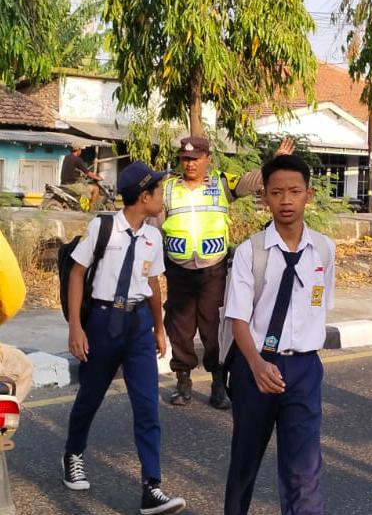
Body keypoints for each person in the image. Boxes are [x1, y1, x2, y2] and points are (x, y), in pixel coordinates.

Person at [62, 161, 186, 515]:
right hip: (103, 321)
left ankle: (152, 486)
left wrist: (159, 328)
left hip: (138, 324)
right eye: (158, 191)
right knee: (90, 397)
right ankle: (73, 454)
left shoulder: (153, 237)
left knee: (147, 407)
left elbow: (152, 284)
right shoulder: (103, 228)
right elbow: (77, 273)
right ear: (144, 196)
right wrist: (75, 327)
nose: (162, 196)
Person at [223, 154, 336, 515]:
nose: (286, 200)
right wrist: (257, 365)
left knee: (303, 471)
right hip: (255, 368)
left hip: (303, 370)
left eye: (294, 191)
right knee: (245, 464)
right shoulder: (250, 252)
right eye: (277, 192)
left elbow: (320, 305)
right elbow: (237, 318)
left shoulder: (324, 249)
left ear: (308, 195)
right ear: (265, 198)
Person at [161, 134, 293, 410]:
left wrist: (274, 163)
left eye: (195, 159)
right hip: (178, 269)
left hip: (213, 270)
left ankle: (218, 384)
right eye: (185, 159)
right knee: (179, 329)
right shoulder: (168, 188)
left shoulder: (221, 183)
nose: (190, 164)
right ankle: (183, 382)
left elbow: (250, 182)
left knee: (215, 329)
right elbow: (154, 222)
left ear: (207, 159)